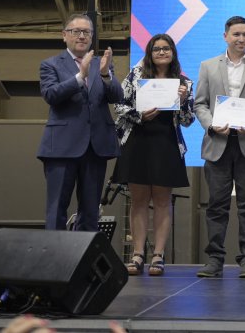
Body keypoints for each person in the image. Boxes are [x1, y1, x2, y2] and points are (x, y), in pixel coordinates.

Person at [193, 16, 245, 278]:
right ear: (225, 36)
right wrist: (211, 124)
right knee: (216, 205)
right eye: (236, 34)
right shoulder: (208, 66)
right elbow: (200, 104)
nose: (242, 39)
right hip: (217, 144)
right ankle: (215, 259)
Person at [114, 34, 195, 276]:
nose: (161, 52)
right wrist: (139, 115)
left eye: (166, 48)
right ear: (150, 53)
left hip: (167, 143)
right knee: (138, 200)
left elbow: (188, 120)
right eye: (156, 49)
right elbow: (119, 104)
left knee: (162, 201)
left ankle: (158, 255)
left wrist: (183, 101)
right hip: (138, 140)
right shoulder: (135, 76)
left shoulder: (184, 82)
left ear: (173, 52)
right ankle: (138, 254)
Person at [37, 14, 123, 231]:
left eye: (87, 32)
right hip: (61, 147)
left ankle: (85, 253)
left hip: (96, 147)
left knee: (91, 210)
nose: (82, 36)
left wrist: (105, 74)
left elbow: (117, 96)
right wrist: (79, 77)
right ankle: (55, 252)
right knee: (57, 207)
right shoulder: (50, 64)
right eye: (76, 31)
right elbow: (51, 95)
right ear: (64, 35)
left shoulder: (101, 64)